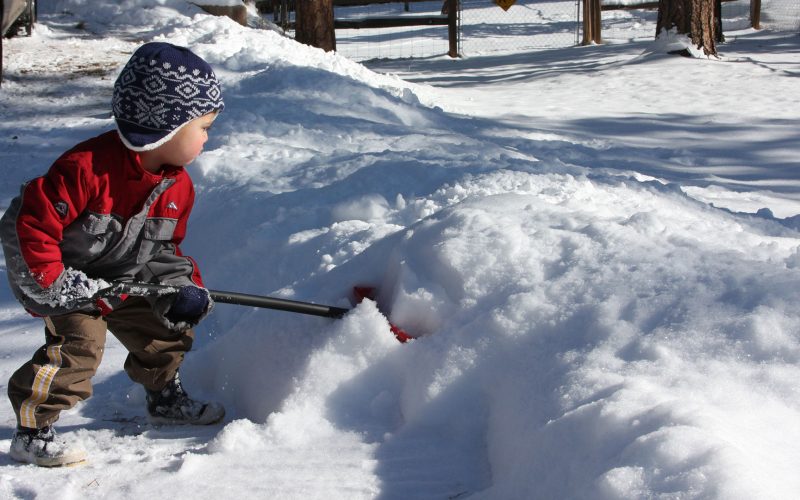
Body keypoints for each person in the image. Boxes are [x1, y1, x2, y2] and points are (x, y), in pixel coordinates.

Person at [0, 42, 226, 467]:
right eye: (204, 127)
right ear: (167, 126)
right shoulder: (86, 169)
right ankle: (33, 429)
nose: (207, 138)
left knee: (167, 329)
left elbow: (162, 249)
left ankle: (163, 397)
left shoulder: (178, 189)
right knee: (79, 346)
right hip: (67, 280)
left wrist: (181, 286)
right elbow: (30, 224)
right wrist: (53, 284)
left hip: (121, 279)